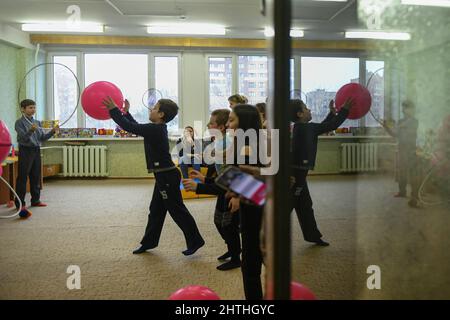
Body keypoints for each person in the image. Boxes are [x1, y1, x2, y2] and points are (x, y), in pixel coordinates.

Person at [102, 97, 205, 255]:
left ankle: (195, 240)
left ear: (161, 114)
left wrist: (114, 110)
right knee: (156, 210)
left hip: (167, 177)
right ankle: (149, 242)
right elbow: (135, 126)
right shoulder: (155, 128)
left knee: (177, 210)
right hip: (163, 176)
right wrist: (126, 112)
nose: (151, 110)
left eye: (154, 108)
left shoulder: (155, 129)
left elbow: (129, 127)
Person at [183, 109, 241, 271]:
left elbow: (232, 177)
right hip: (224, 185)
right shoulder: (218, 142)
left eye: (211, 123)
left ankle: (236, 257)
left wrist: (200, 186)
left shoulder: (228, 145)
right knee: (219, 222)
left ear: (221, 127)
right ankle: (232, 248)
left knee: (229, 225)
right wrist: (205, 179)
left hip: (231, 189)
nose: (208, 125)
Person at [290, 98, 353, 246]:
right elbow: (331, 126)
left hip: (299, 174)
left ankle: (313, 236)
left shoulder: (301, 127)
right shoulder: (306, 128)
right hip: (296, 176)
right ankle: (270, 234)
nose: (310, 110)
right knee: (288, 206)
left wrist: (332, 113)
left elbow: (323, 126)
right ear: (299, 114)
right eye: (306, 108)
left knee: (305, 205)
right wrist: (344, 110)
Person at [227, 104, 265, 300]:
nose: (227, 124)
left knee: (251, 262)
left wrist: (236, 192)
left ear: (245, 122)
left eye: (231, 119)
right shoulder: (252, 141)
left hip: (256, 208)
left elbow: (258, 183)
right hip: (258, 204)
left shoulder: (247, 145)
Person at [15, 99, 59, 209]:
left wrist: (52, 132)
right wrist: (31, 130)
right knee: (23, 177)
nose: (33, 110)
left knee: (36, 176)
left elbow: (42, 138)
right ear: (23, 109)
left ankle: (35, 200)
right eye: (30, 107)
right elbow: (22, 139)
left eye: (34, 107)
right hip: (25, 150)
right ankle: (20, 203)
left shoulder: (37, 122)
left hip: (36, 150)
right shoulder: (19, 122)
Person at [384, 100, 420, 208]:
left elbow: (409, 129)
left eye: (407, 107)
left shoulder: (414, 121)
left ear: (412, 109)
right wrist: (386, 127)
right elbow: (395, 134)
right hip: (402, 149)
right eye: (404, 107)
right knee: (402, 171)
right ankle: (402, 192)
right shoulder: (400, 122)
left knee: (413, 173)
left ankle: (414, 196)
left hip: (411, 150)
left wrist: (398, 126)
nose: (405, 110)